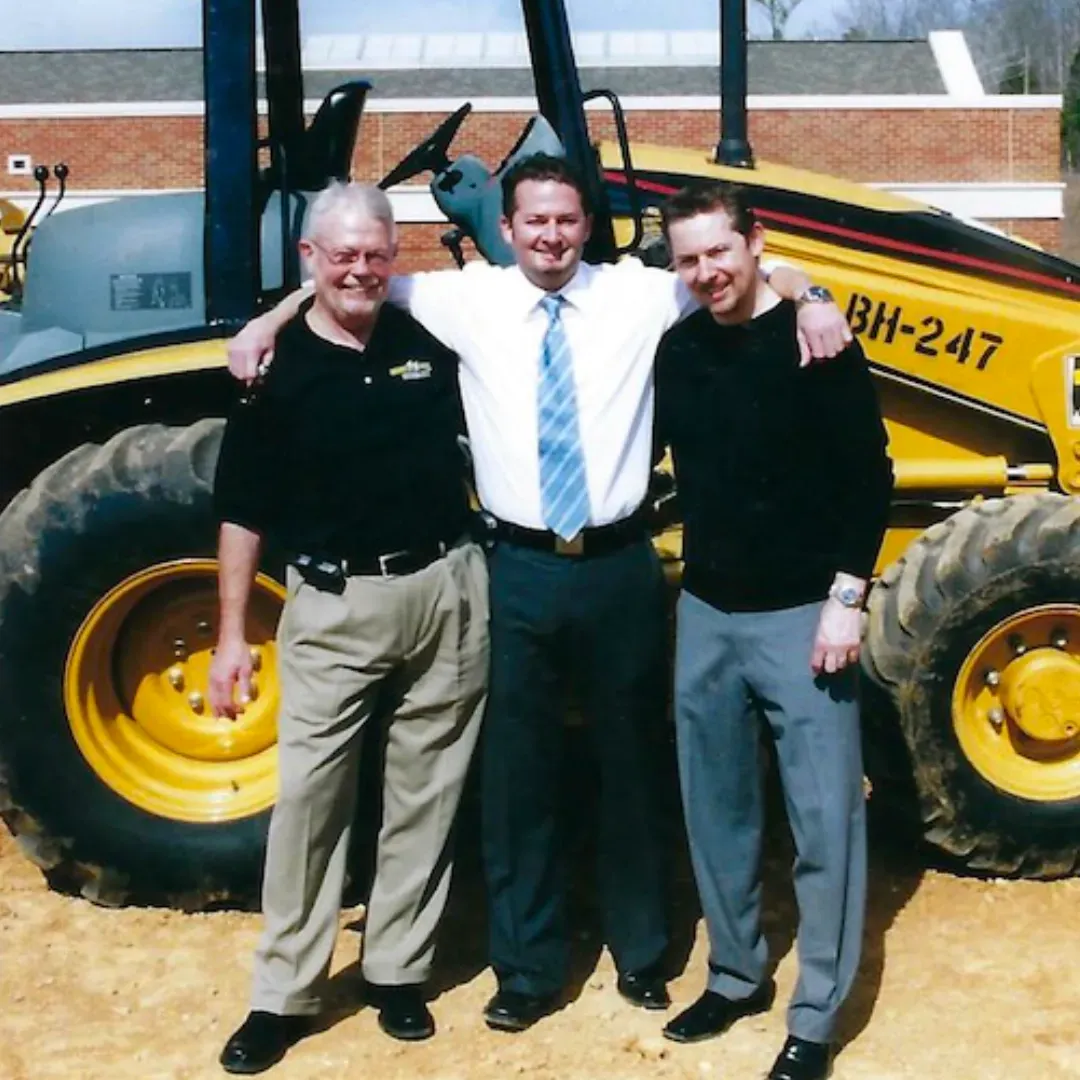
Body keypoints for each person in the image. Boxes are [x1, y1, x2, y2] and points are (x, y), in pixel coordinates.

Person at [227, 153, 852, 1033]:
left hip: (618, 564)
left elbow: (744, 268)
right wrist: (271, 318)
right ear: (507, 228)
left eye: (566, 220)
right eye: (533, 222)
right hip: (512, 567)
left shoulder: (644, 292)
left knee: (633, 766)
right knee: (517, 774)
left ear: (585, 225)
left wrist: (813, 292)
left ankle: (643, 954)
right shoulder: (462, 298)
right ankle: (526, 967)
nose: (551, 235)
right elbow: (347, 280)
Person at [209, 182, 489, 1074]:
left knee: (427, 791)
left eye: (377, 253)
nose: (362, 269)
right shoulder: (273, 368)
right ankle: (283, 992)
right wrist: (228, 638)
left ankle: (396, 971)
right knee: (311, 806)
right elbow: (241, 508)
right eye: (343, 255)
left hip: (445, 589)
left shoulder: (426, 340)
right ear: (309, 261)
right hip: (334, 609)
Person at [653, 181, 893, 1080]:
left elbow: (869, 474)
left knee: (826, 822)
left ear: (756, 242)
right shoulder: (677, 352)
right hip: (708, 612)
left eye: (720, 250)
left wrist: (847, 595)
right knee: (716, 811)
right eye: (689, 259)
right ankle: (737, 973)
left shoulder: (817, 341)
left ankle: (817, 1014)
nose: (707, 271)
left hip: (806, 617)